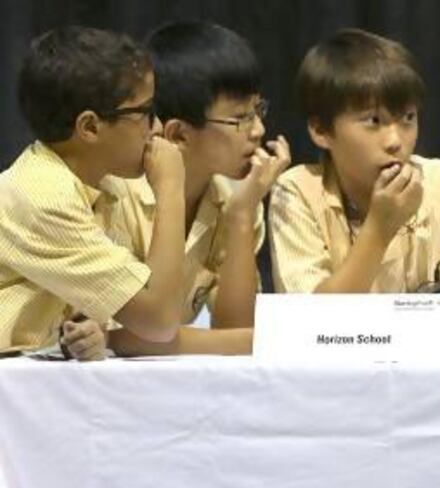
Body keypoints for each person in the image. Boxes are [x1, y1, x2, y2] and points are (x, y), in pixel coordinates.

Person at [269, 28, 440, 352]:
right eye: (373, 121)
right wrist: (379, 228)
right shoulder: (296, 192)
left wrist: (371, 332)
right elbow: (311, 331)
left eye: (408, 118)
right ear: (320, 130)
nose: (395, 141)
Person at [0, 26, 186, 360]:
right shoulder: (44, 196)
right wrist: (172, 190)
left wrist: (91, 332)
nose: (156, 128)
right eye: (145, 113)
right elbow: (160, 320)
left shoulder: (107, 182)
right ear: (90, 127)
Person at [106, 22, 290, 355]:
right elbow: (116, 339)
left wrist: (241, 216)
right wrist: (254, 342)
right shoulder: (113, 197)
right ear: (178, 135)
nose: (259, 130)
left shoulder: (233, 198)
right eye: (240, 118)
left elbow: (235, 329)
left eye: (258, 110)